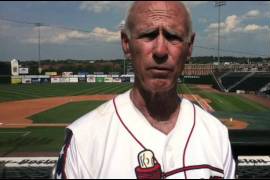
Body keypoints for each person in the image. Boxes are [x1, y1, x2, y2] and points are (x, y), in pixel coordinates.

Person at [54, 1, 235, 179]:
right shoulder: (85, 138)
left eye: (173, 37)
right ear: (126, 43)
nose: (160, 51)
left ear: (190, 47)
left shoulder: (216, 134)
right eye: (148, 35)